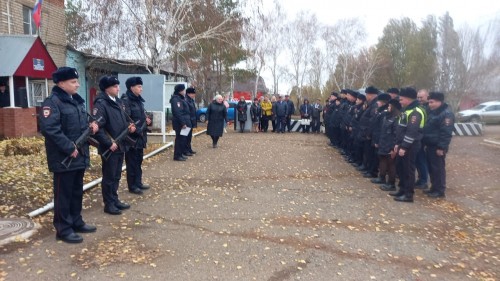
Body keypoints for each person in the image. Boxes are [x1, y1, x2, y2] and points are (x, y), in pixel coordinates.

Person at [40, 67, 98, 243]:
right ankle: (63, 228)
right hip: (64, 158)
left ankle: (76, 221)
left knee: (76, 192)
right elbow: (50, 129)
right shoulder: (53, 103)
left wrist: (92, 126)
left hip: (79, 155)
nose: (77, 85)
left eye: (77, 81)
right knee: (63, 194)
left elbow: (81, 123)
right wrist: (68, 147)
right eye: (73, 82)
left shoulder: (76, 102)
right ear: (61, 83)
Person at [93, 76, 136, 215]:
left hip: (120, 144)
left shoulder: (117, 102)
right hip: (110, 147)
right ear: (107, 88)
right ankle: (109, 203)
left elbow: (121, 120)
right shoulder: (101, 104)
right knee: (109, 176)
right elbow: (97, 128)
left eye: (118, 86)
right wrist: (108, 142)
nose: (118, 88)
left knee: (117, 175)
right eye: (115, 86)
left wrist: (128, 126)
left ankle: (115, 199)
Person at [390, 87, 426, 203]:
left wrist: (404, 146)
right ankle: (402, 189)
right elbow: (400, 129)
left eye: (401, 100)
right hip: (402, 144)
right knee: (400, 167)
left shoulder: (416, 112)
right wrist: (397, 144)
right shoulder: (407, 110)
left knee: (408, 169)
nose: (399, 102)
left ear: (407, 99)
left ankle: (408, 194)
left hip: (410, 145)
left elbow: (412, 131)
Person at [121, 76, 151, 195]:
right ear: (131, 87)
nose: (141, 89)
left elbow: (141, 115)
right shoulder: (126, 100)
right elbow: (126, 118)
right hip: (132, 138)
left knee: (139, 160)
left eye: (141, 86)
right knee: (132, 162)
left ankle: (138, 182)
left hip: (141, 135)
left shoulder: (138, 100)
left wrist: (147, 120)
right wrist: (134, 128)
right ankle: (132, 185)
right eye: (139, 86)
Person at [422, 92, 454, 198]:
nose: (430, 104)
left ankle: (440, 190)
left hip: (437, 147)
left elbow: (446, 132)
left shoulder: (446, 114)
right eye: (429, 102)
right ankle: (434, 187)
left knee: (438, 168)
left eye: (432, 102)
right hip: (430, 145)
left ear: (440, 102)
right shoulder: (433, 112)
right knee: (432, 168)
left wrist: (441, 147)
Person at [378, 99, 402, 192]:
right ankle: (382, 178)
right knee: (383, 160)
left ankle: (391, 183)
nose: (388, 108)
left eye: (389, 106)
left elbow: (396, 134)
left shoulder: (397, 118)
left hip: (390, 144)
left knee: (391, 164)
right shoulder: (387, 117)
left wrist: (393, 147)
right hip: (384, 143)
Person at [170, 84, 191, 161]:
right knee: (180, 139)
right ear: (180, 91)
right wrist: (183, 123)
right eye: (184, 90)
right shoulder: (175, 99)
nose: (185, 91)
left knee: (183, 139)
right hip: (180, 124)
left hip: (184, 122)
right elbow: (178, 112)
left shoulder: (181, 98)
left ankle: (180, 154)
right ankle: (177, 155)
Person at [415, 89, 430, 189]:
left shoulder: (429, 108)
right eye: (418, 97)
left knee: (422, 160)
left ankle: (424, 181)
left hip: (425, 138)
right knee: (418, 160)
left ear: (427, 97)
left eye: (422, 97)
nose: (419, 99)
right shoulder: (420, 107)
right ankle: (421, 179)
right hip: (419, 137)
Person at [185, 87, 198, 155]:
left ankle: (189, 149)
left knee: (189, 136)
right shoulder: (186, 100)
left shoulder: (191, 100)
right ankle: (185, 150)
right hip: (187, 122)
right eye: (193, 93)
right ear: (189, 94)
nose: (194, 95)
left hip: (191, 121)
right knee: (185, 137)